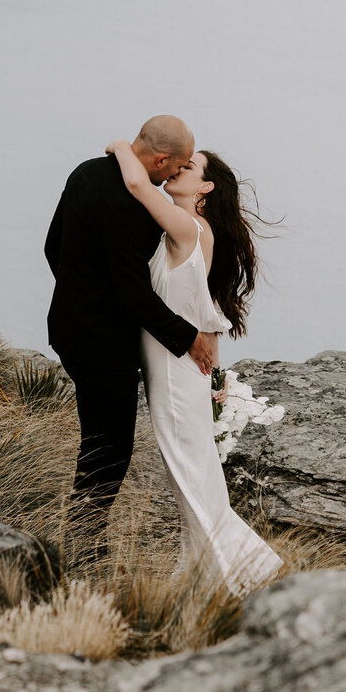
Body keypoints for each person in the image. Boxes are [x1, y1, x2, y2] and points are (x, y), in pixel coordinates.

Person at [105, 138, 283, 595]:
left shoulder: (190, 227)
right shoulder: (190, 230)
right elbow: (202, 309)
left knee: (190, 479)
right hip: (176, 370)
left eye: (190, 167)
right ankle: (200, 586)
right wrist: (216, 373)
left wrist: (122, 146)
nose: (179, 169)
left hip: (173, 372)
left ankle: (249, 579)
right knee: (192, 479)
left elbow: (134, 181)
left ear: (204, 187)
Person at [45, 116, 216, 565]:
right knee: (109, 447)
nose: (171, 177)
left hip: (67, 328)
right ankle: (83, 548)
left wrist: (79, 292)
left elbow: (52, 245)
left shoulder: (84, 172)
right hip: (106, 346)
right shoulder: (135, 206)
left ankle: (82, 540)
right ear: (160, 160)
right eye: (173, 168)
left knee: (97, 438)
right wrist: (189, 338)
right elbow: (134, 295)